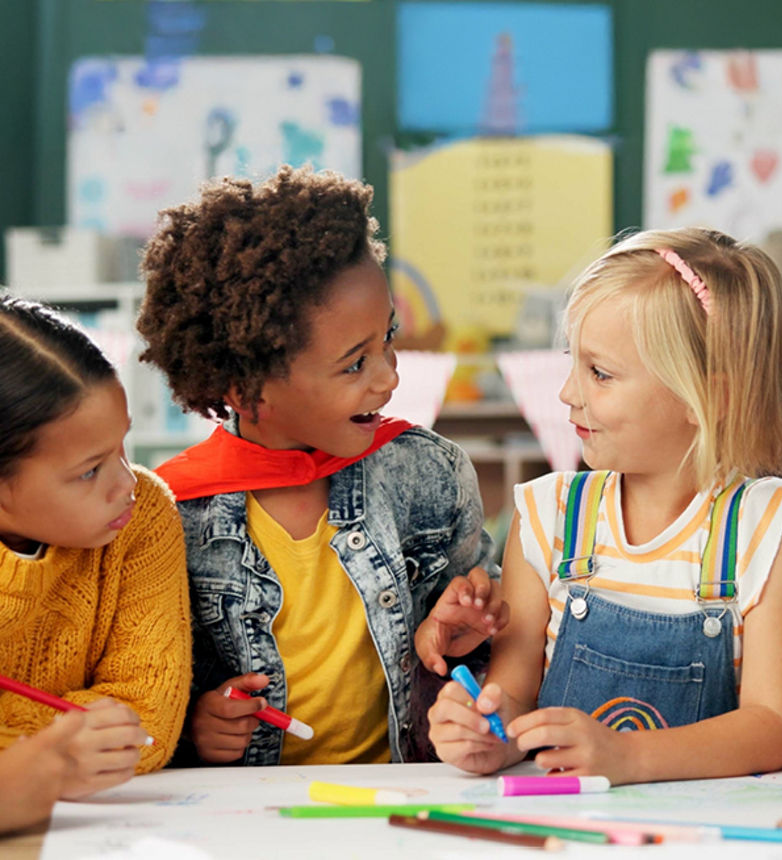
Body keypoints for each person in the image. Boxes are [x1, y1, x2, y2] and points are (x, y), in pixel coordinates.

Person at [135, 166, 501, 766]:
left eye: (388, 338)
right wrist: (195, 728)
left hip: (404, 794)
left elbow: (478, 647)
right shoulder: (174, 513)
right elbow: (149, 692)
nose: (389, 377)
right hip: (253, 818)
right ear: (246, 385)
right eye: (354, 364)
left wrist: (471, 625)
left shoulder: (430, 475)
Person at [429, 227, 782, 784]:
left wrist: (629, 758)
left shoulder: (770, 523)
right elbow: (515, 695)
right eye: (573, 362)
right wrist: (485, 734)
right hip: (565, 825)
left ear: (707, 396)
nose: (568, 392)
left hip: (702, 832)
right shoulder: (548, 514)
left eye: (600, 373)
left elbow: (775, 725)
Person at [0, 296, 190, 796]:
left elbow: (147, 723)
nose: (126, 482)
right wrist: (57, 747)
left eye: (121, 446)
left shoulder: (142, 515)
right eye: (89, 470)